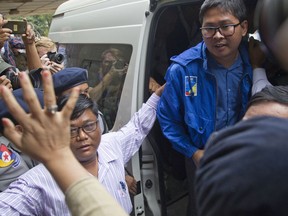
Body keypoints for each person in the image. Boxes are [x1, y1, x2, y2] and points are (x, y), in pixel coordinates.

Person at [0, 73, 165, 214]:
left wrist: (158, 96)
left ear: (98, 124)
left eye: (89, 126)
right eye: (72, 130)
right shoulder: (37, 182)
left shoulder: (111, 145)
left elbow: (137, 127)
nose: (82, 136)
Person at [156, 0, 252, 215]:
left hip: (242, 155)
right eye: (209, 28)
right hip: (200, 158)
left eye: (225, 26)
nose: (217, 36)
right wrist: (193, 153)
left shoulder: (254, 63)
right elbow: (168, 119)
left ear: (243, 27)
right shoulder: (183, 69)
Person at [0, 88, 44, 191]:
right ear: (20, 130)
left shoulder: (33, 143)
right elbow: (33, 192)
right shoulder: (5, 155)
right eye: (43, 122)